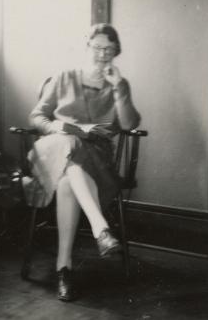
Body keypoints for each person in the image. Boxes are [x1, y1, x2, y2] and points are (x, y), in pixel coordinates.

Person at [26, 23, 140, 301]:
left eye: (109, 49)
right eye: (97, 47)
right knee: (71, 143)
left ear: (116, 53)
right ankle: (100, 226)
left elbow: (129, 123)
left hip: (94, 162)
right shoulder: (64, 77)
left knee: (68, 183)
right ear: (86, 47)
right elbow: (37, 118)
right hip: (54, 149)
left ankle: (63, 268)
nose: (103, 54)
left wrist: (119, 89)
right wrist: (67, 129)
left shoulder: (117, 85)